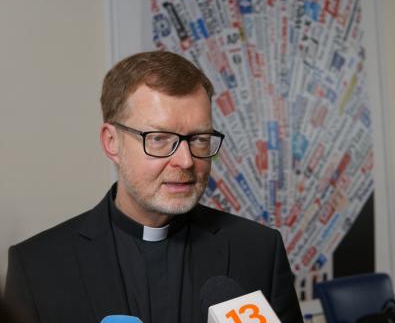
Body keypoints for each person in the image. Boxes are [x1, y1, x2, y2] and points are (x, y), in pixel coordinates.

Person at [4, 51, 303, 323]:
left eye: (199, 139)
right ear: (112, 142)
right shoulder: (38, 267)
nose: (186, 161)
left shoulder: (260, 250)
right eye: (159, 139)